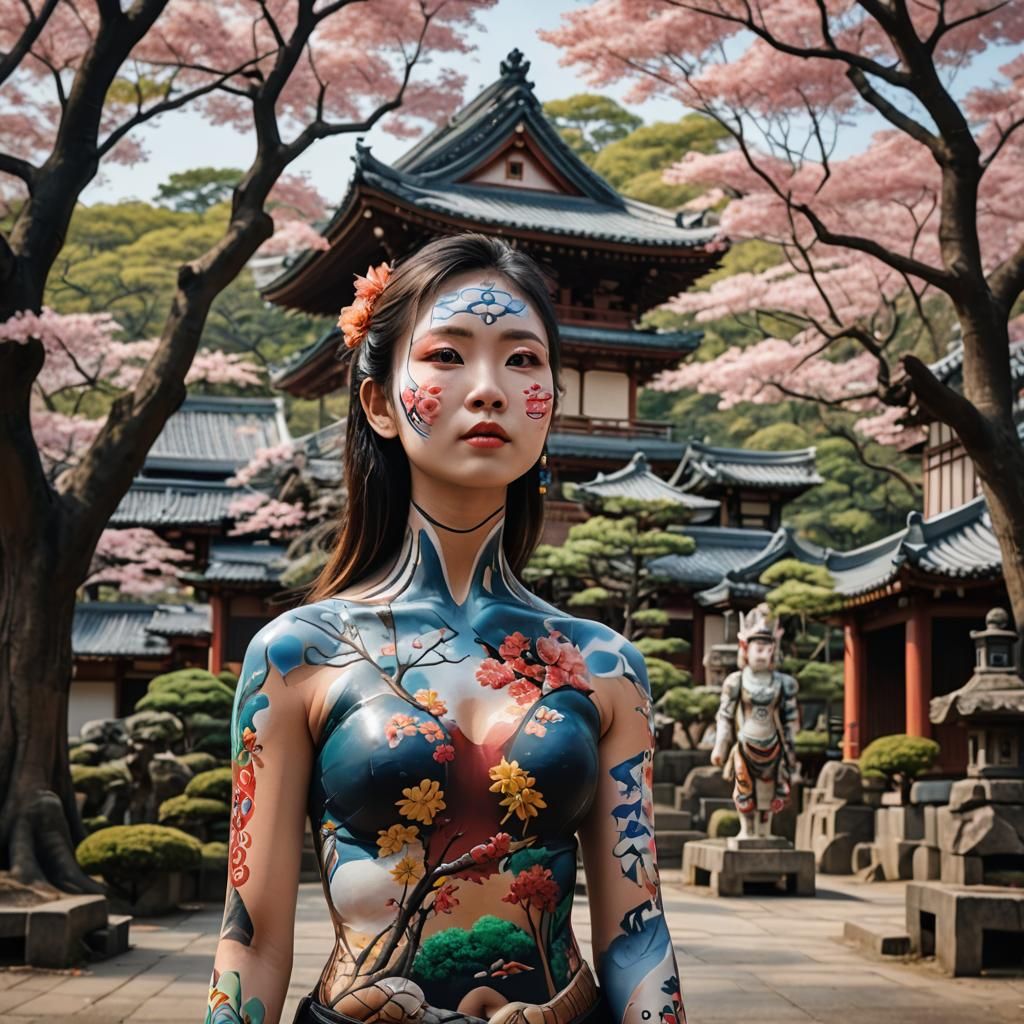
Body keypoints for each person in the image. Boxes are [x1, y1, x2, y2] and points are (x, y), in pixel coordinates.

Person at [203, 234, 685, 1024]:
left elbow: (637, 933)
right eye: (448, 355)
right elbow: (250, 938)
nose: (490, 388)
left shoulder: (606, 666)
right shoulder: (296, 656)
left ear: (550, 407)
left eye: (523, 360)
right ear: (381, 403)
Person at [710, 603, 799, 839]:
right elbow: (725, 715)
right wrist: (720, 744)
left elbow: (790, 720)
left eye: (766, 648)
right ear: (744, 648)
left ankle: (765, 831)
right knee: (744, 786)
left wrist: (792, 750)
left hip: (773, 743)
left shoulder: (783, 682)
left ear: (775, 649)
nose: (761, 654)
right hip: (745, 743)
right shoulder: (735, 681)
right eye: (756, 648)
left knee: (769, 792)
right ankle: (746, 830)